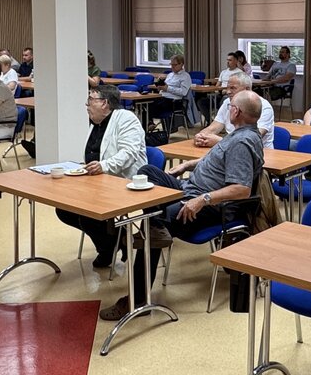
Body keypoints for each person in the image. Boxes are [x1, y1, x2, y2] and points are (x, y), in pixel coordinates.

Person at [98, 90, 264, 321]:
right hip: (190, 190)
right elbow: (215, 160)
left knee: (150, 223)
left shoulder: (242, 142)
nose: (227, 109)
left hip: (209, 208)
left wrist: (202, 199)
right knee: (148, 172)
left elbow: (241, 189)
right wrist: (187, 165)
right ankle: (157, 227)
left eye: (230, 106)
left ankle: (137, 299)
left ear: (236, 112)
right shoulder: (239, 134)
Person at [56, 84, 147, 268]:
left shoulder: (126, 118)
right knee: (64, 209)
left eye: (91, 100)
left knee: (88, 214)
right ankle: (116, 238)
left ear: (104, 103)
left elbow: (128, 153)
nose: (87, 104)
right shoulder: (96, 124)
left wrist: (103, 166)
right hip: (97, 182)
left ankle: (107, 249)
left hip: (123, 182)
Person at [194, 71, 274, 149]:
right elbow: (214, 127)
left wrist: (220, 141)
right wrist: (201, 136)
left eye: (233, 88)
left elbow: (253, 139)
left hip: (259, 153)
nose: (228, 92)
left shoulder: (264, 107)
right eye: (227, 88)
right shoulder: (227, 102)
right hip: (231, 149)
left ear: (247, 89)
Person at [146, 55, 191, 127]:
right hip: (163, 97)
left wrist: (167, 88)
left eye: (174, 65)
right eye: (171, 64)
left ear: (181, 64)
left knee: (151, 106)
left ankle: (150, 124)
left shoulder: (185, 76)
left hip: (175, 101)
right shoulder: (170, 75)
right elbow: (165, 87)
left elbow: (183, 92)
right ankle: (149, 124)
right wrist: (161, 88)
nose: (172, 67)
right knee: (145, 104)